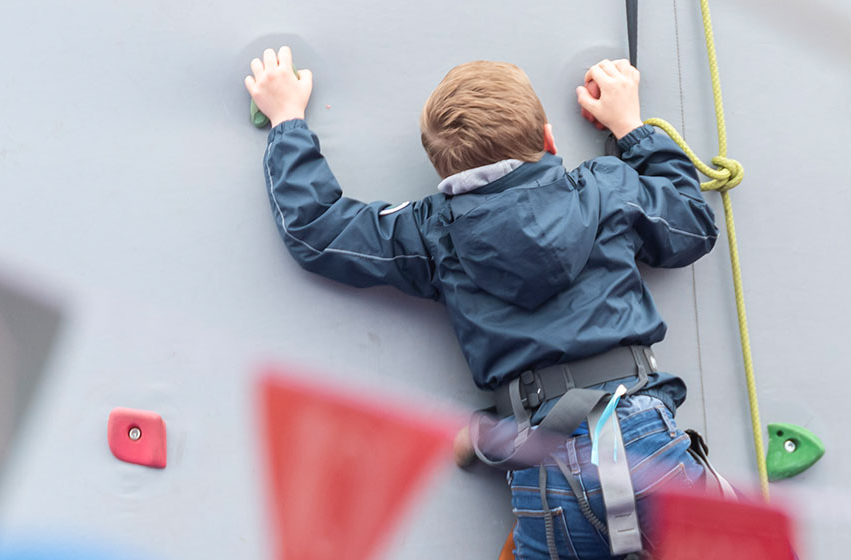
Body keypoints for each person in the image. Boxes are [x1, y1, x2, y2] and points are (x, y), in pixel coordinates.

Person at [245, 46, 719, 559]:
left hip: (544, 459)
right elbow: (692, 224)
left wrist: (287, 119)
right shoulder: (606, 189)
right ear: (547, 139)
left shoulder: (432, 232)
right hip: (638, 431)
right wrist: (631, 125)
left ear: (441, 169)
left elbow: (319, 232)